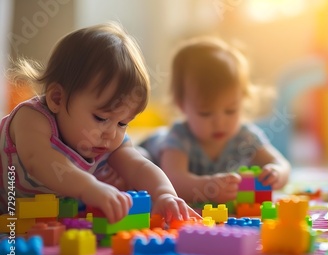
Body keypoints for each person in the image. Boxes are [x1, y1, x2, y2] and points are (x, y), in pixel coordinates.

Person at [1, 22, 198, 224]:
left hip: (37, 216)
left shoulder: (108, 139)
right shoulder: (32, 119)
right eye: (101, 118)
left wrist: (165, 194)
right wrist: (90, 188)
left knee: (134, 162)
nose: (111, 133)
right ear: (57, 98)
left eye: (123, 123)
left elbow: (139, 167)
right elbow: (39, 162)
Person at [140, 37, 291, 204]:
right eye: (205, 113)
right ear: (182, 105)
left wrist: (277, 173)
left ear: (243, 99)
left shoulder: (245, 137)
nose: (220, 123)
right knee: (133, 167)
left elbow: (281, 163)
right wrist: (207, 187)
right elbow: (173, 180)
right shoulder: (179, 137)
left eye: (230, 111)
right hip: (150, 151)